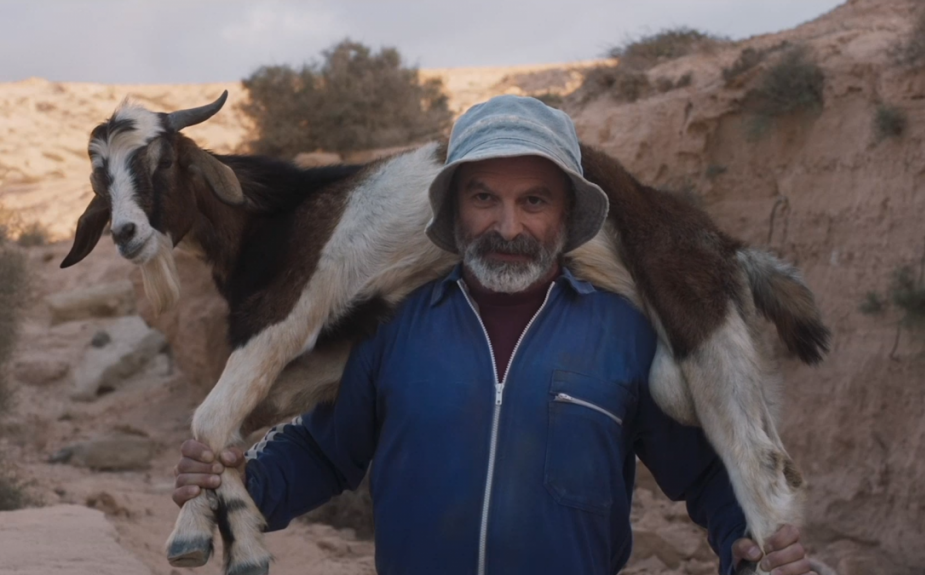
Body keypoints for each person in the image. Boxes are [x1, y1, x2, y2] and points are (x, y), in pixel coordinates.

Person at [172, 95, 812, 575]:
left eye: (534, 201)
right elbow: (323, 453)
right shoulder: (392, 328)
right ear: (451, 209)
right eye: (484, 198)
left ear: (567, 215)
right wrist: (235, 482)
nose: (508, 226)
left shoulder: (625, 333)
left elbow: (704, 478)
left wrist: (753, 550)